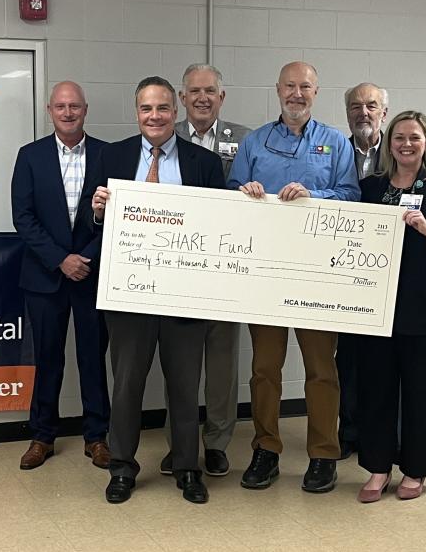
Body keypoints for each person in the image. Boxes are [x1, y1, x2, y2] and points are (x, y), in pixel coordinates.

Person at [90, 76, 225, 504]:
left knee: (185, 387)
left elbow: (219, 226)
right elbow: (88, 223)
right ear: (137, 112)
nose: (155, 116)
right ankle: (122, 468)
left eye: (163, 108)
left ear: (176, 110)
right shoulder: (111, 156)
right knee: (126, 385)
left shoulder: (203, 162)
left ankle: (187, 468)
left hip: (185, 294)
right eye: (147, 109)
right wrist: (97, 214)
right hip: (128, 295)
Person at [226, 61, 360, 493]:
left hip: (317, 276)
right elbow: (229, 194)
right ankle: (266, 448)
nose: (297, 93)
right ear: (278, 90)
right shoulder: (255, 142)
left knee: (322, 369)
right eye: (290, 86)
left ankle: (324, 454)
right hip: (264, 274)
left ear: (316, 92)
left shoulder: (336, 143)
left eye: (305, 86)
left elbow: (351, 195)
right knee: (265, 368)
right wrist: (244, 194)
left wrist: (313, 195)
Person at [355, 110, 426, 503]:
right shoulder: (371, 187)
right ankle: (377, 467)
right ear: (389, 144)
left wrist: (425, 228)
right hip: (376, 308)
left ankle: (416, 469)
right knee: (377, 391)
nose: (406, 144)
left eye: (414, 138)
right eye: (399, 137)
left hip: (422, 309)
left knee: (420, 393)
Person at [154, 63, 251, 477]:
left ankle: (216, 443)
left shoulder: (246, 140)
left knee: (222, 364)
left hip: (228, 269)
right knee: (179, 361)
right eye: (194, 91)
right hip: (179, 270)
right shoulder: (164, 140)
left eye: (210, 90)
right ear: (181, 98)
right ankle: (179, 442)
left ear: (221, 97)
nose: (202, 98)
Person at [11, 81, 111, 470]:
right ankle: (42, 436)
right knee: (48, 358)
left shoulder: (107, 155)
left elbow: (118, 216)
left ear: (86, 109)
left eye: (75, 107)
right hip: (45, 277)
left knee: (93, 358)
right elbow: (24, 216)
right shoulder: (30, 156)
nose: (68, 113)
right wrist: (60, 259)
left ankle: (97, 437)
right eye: (60, 107)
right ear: (48, 110)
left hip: (91, 274)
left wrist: (83, 257)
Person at [337, 82, 388, 460]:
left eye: (371, 105)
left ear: (383, 112)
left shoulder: (401, 148)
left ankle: (382, 432)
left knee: (385, 360)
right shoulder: (337, 151)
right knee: (348, 358)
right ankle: (349, 430)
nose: (363, 113)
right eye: (356, 106)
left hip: (387, 272)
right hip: (344, 269)